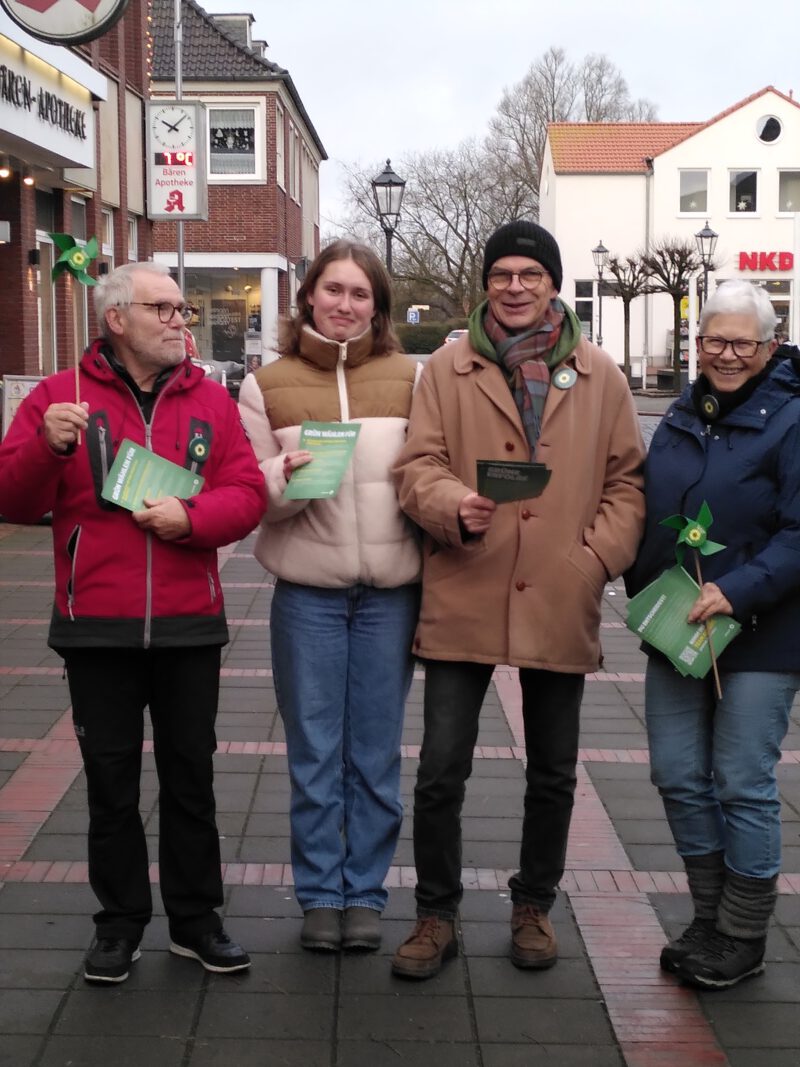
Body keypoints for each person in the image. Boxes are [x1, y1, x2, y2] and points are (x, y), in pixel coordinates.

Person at [390, 220, 646, 979]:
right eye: (501, 273)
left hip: (559, 591)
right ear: (486, 284)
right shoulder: (447, 367)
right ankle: (436, 913)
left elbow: (627, 480)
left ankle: (534, 903)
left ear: (552, 284)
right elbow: (418, 463)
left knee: (554, 769)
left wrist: (593, 557)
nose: (514, 286)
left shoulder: (601, 374)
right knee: (441, 769)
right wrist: (447, 505)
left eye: (529, 274)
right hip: (466, 582)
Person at [0, 262, 266, 984]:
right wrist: (45, 447)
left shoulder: (211, 399)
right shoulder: (61, 398)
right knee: (109, 783)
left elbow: (246, 492)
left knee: (191, 777)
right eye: (164, 309)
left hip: (189, 623)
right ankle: (118, 923)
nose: (181, 321)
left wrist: (192, 517)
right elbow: (14, 501)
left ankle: (195, 919)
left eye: (181, 308)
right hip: (96, 627)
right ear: (116, 319)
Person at [238, 240, 420, 953]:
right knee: (314, 749)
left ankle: (366, 891)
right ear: (309, 294)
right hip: (308, 594)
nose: (345, 305)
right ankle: (320, 892)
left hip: (390, 595)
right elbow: (255, 498)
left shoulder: (412, 378)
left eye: (360, 294)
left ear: (379, 307)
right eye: (333, 290)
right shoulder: (268, 383)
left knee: (375, 752)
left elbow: (429, 474)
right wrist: (280, 480)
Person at [626, 279, 800, 990]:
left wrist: (736, 588)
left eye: (741, 342)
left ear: (769, 346)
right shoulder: (680, 414)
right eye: (713, 341)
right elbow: (646, 507)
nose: (725, 354)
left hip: (761, 629)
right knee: (675, 771)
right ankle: (708, 914)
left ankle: (743, 931)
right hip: (680, 627)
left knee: (742, 781)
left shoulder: (792, 417)